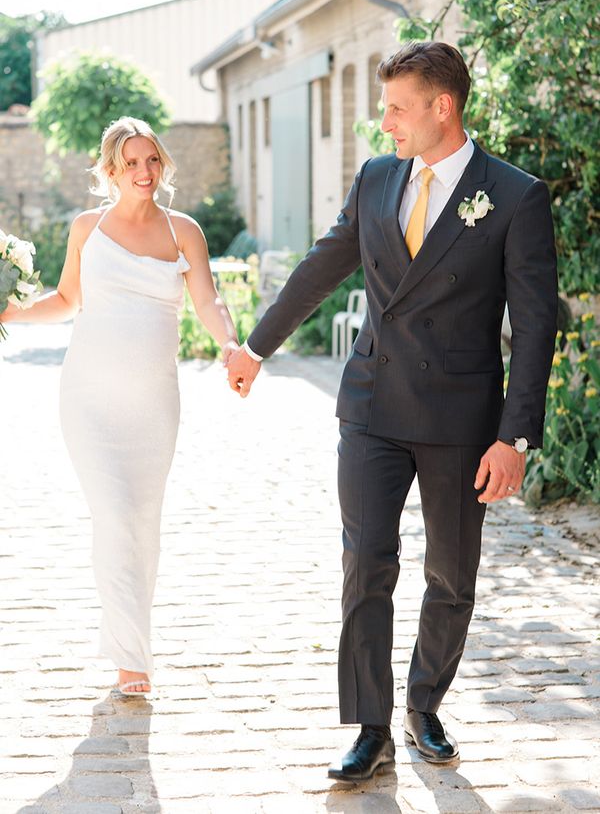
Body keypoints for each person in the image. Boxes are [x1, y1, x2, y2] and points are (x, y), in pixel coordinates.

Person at [226, 42, 558, 779]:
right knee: (366, 564)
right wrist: (257, 346)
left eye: (397, 108)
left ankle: (423, 704)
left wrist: (516, 438)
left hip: (460, 421)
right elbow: (322, 263)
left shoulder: (513, 195)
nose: (385, 124)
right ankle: (370, 728)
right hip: (372, 405)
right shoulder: (378, 178)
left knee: (451, 575)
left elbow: (537, 326)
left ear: (443, 107)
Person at [1, 117, 239, 696]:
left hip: (153, 402)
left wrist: (231, 344)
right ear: (110, 169)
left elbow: (207, 301)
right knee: (112, 517)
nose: (144, 172)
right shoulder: (88, 226)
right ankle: (130, 659)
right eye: (131, 163)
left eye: (152, 160)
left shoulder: (185, 232)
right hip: (88, 397)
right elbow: (65, 300)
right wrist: (6, 311)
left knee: (141, 522)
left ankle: (133, 645)